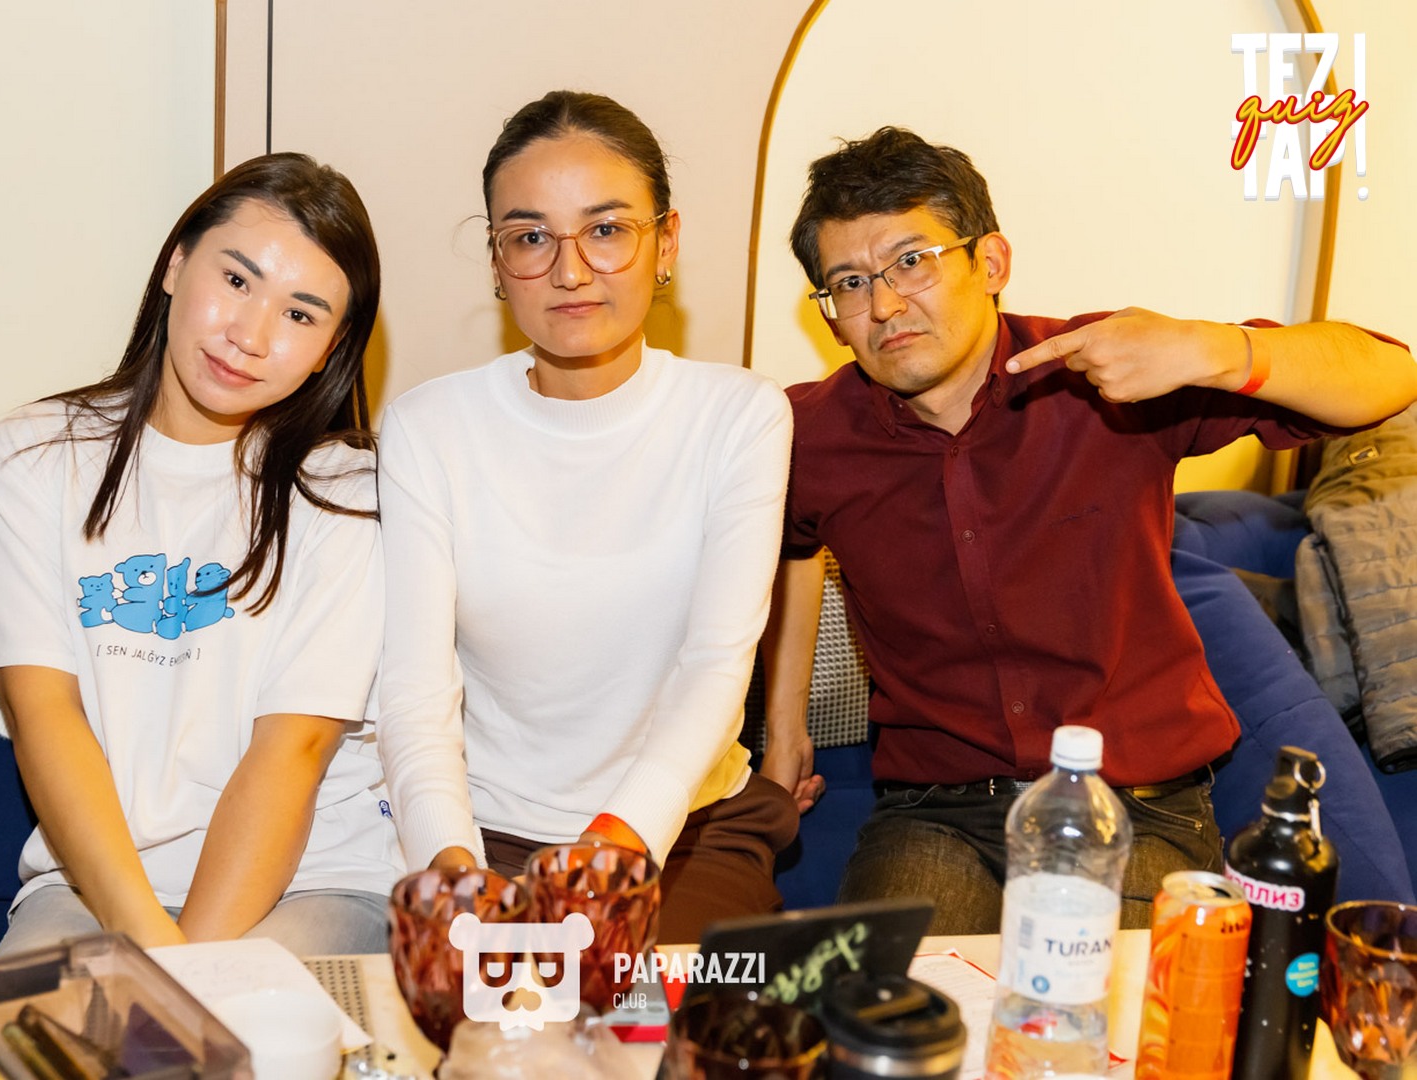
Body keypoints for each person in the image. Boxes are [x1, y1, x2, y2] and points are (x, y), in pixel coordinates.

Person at [762, 126, 1417, 934]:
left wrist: (1215, 350)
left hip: (1136, 801)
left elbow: (1389, 377)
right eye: (849, 283)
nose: (885, 305)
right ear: (830, 315)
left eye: (911, 261)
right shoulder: (807, 433)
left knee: (1106, 1006)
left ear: (990, 262)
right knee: (887, 1005)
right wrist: (785, 728)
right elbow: (790, 540)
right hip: (933, 811)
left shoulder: (1106, 370)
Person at [0, 153, 403, 955]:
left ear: (331, 346)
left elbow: (292, 752)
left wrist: (186, 979)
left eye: (300, 315)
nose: (249, 336)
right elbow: (45, 715)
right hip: (94, 886)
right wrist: (154, 950)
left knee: (247, 1023)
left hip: (316, 876)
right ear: (175, 264)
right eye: (236, 280)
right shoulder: (35, 456)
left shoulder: (350, 490)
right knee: (32, 1027)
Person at [377, 91, 798, 942]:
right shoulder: (429, 427)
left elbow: (715, 664)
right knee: (476, 1013)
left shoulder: (739, 416)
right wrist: (453, 869)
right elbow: (415, 689)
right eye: (530, 237)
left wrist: (616, 843)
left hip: (681, 829)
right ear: (496, 261)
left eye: (605, 229)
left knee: (638, 1012)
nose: (569, 272)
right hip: (480, 831)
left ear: (665, 242)